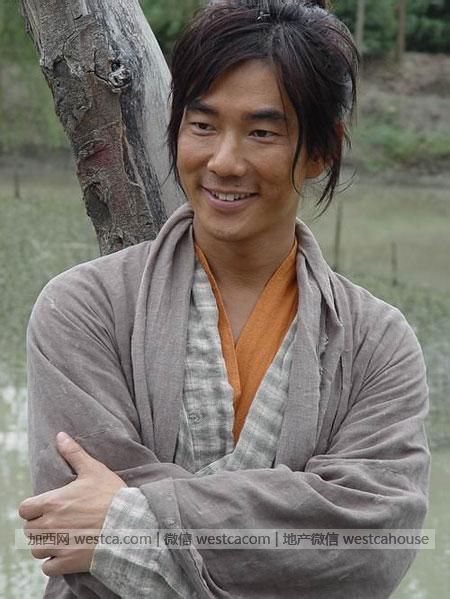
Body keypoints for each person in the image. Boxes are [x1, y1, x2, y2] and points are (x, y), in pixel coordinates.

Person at [19, 1, 430, 597]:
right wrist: (289, 540)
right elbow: (70, 531)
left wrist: (126, 525)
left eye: (262, 132)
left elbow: (373, 545)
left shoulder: (377, 343)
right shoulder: (85, 308)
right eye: (203, 126)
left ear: (321, 150)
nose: (224, 161)